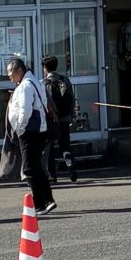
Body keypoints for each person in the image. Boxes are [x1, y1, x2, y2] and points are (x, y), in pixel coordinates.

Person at [3, 58, 56, 219]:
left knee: (29, 168)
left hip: (29, 132)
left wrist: (19, 128)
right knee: (35, 166)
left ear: (19, 70)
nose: (9, 76)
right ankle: (47, 199)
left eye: (10, 72)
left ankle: (40, 203)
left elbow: (25, 110)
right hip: (37, 131)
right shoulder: (32, 82)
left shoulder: (26, 85)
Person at [41, 54, 81, 183]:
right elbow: (72, 98)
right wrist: (71, 115)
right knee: (65, 146)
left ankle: (52, 176)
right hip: (64, 118)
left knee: (50, 147)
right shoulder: (65, 80)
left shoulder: (43, 83)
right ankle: (71, 167)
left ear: (45, 68)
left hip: (51, 120)